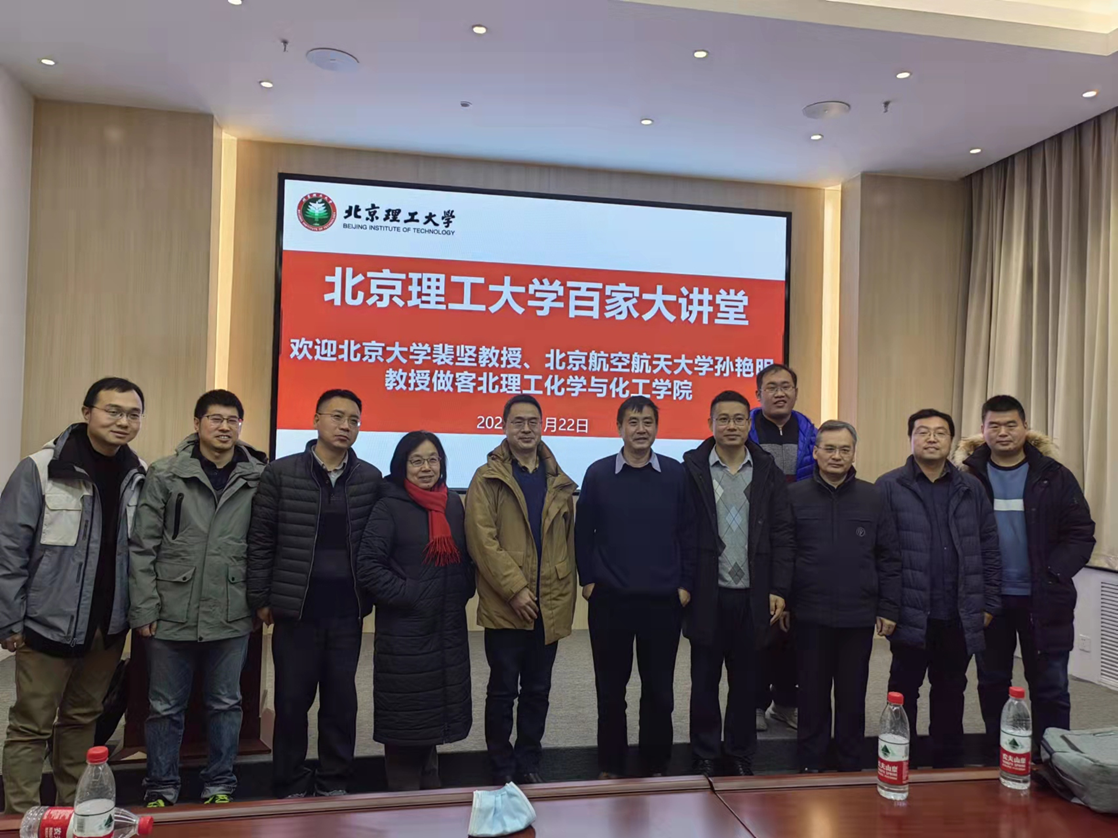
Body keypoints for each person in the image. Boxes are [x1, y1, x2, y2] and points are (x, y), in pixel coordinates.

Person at [0, 378, 147, 814]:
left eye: (133, 414)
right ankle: (22, 816)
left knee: (82, 721)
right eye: (113, 411)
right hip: (47, 622)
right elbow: (9, 549)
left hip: (107, 627)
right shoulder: (40, 468)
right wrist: (10, 620)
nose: (123, 421)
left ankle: (73, 813)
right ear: (87, 412)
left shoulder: (139, 474)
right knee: (31, 726)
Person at [128, 390, 267, 806]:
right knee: (164, 707)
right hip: (172, 607)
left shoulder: (258, 476)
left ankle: (220, 783)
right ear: (197, 423)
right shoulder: (166, 473)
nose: (224, 427)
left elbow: (264, 546)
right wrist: (144, 608)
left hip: (231, 607)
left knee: (226, 703)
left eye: (232, 420)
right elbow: (142, 545)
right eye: (215, 419)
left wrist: (258, 600)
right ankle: (161, 786)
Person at [246, 389, 382, 798]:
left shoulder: (369, 477)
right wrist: (261, 597)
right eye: (337, 416)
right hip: (296, 609)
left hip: (346, 609)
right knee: (292, 701)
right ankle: (289, 782)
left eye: (354, 420)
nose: (345, 426)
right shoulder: (281, 473)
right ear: (316, 420)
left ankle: (334, 780)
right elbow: (261, 537)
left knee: (340, 701)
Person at [955, 395, 1096, 748]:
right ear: (983, 430)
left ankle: (1054, 757)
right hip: (990, 600)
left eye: (1011, 425)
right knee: (992, 682)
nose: (1003, 432)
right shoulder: (968, 478)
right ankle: (1001, 753)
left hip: (1044, 598)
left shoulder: (1055, 476)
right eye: (994, 426)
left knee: (1051, 685)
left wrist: (1053, 572)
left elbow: (1081, 532)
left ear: (1025, 428)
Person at [575, 396, 694, 779]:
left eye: (647, 422)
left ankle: (654, 765)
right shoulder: (598, 474)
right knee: (611, 691)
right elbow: (583, 531)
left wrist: (685, 584)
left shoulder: (675, 474)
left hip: (663, 601)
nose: (640, 429)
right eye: (633, 422)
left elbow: (689, 532)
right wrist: (588, 580)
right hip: (610, 600)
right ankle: (610, 765)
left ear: (656, 428)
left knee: (659, 691)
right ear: (619, 428)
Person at [876, 409, 1001, 768]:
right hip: (910, 612)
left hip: (958, 612)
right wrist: (885, 606)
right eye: (923, 432)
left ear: (951, 440)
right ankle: (900, 763)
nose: (932, 438)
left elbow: (989, 546)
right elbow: (878, 553)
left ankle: (947, 766)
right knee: (903, 692)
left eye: (940, 432)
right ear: (911, 438)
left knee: (951, 691)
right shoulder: (888, 486)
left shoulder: (970, 487)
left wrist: (989, 602)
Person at [465, 395, 577, 786]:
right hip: (505, 604)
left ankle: (529, 761)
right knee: (502, 690)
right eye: (518, 422)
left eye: (533, 422)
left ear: (542, 426)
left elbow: (567, 543)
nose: (526, 429)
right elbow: (482, 540)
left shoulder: (558, 479)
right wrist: (514, 589)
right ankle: (500, 765)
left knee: (538, 689)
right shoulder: (487, 477)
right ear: (504, 426)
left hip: (549, 602)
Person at [683, 391, 794, 777]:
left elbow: (783, 532)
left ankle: (741, 754)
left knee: (747, 681)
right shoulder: (692, 469)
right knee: (704, 681)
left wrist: (779, 588)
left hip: (754, 594)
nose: (731, 426)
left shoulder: (766, 470)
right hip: (707, 593)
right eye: (723, 419)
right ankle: (705, 753)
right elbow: (680, 531)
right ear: (710, 424)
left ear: (749, 424)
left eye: (739, 419)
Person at [357, 432, 474, 791]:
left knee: (433, 714)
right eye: (417, 460)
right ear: (402, 465)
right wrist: (411, 595)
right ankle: (404, 799)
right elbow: (368, 566)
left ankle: (430, 784)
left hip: (446, 627)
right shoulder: (389, 505)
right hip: (405, 631)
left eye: (433, 459)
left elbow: (464, 556)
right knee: (405, 718)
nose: (426, 468)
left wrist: (462, 588)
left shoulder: (451, 503)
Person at [788, 420, 901, 773]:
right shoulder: (794, 496)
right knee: (811, 693)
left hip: (858, 613)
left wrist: (888, 607)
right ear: (815, 452)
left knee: (852, 695)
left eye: (844, 449)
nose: (837, 456)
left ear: (854, 454)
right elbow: (785, 553)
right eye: (829, 449)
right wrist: (785, 600)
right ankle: (811, 762)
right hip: (809, 613)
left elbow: (889, 556)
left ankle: (850, 763)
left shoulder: (873, 497)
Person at [748, 363, 817, 732]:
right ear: (758, 393)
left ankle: (786, 702)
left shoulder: (812, 435)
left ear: (795, 392)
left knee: (796, 629)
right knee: (761, 627)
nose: (779, 393)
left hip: (802, 539)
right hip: (756, 540)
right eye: (771, 386)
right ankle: (756, 702)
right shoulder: (744, 431)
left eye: (786, 386)